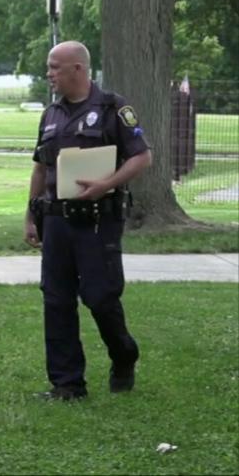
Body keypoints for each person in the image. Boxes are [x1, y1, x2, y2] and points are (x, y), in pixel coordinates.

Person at [24, 41, 151, 401]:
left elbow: (142, 157)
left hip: (98, 221)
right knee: (56, 300)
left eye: (54, 67)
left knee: (100, 297)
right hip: (57, 221)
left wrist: (106, 184)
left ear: (78, 68)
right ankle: (68, 384)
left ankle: (124, 355)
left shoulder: (113, 108)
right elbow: (40, 166)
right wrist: (31, 216)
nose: (48, 74)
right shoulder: (50, 114)